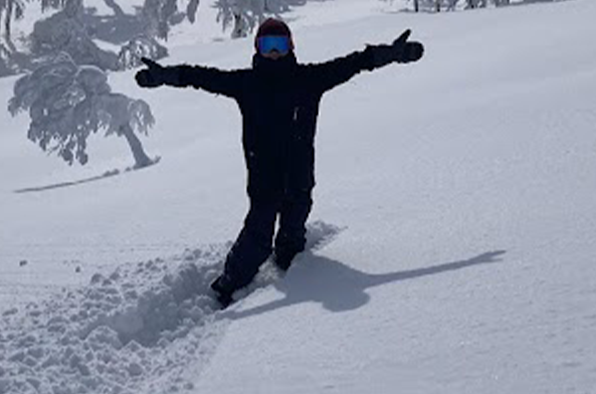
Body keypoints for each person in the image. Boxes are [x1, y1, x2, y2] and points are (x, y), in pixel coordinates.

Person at [135, 17, 424, 307]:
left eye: (280, 44)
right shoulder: (246, 84)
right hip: (263, 173)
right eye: (267, 45)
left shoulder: (309, 79)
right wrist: (164, 76)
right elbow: (200, 77)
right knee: (258, 232)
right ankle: (229, 284)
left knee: (295, 222)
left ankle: (290, 262)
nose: (274, 51)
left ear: (290, 46)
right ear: (257, 48)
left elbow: (353, 63)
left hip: (299, 171)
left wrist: (392, 54)